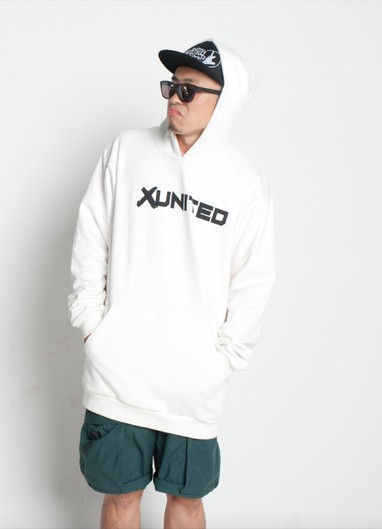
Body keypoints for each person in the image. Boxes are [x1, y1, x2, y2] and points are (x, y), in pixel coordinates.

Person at [68, 40, 275, 528]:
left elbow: (254, 279)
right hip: (118, 373)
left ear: (225, 101)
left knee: (187, 502)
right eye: (171, 86)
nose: (174, 98)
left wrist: (222, 360)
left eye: (188, 89)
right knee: (121, 498)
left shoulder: (245, 182)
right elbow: (91, 237)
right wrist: (94, 327)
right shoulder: (128, 149)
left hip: (194, 385)